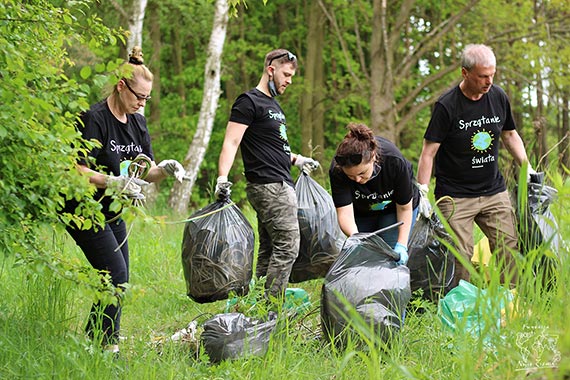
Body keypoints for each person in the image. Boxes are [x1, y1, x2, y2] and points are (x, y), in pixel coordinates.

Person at [63, 47, 185, 355]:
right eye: (139, 96)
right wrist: (112, 181)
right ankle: (108, 348)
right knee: (114, 274)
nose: (142, 103)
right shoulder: (94, 118)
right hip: (83, 207)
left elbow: (146, 171)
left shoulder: (138, 123)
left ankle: (94, 341)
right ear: (121, 86)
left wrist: (167, 169)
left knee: (120, 279)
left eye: (147, 98)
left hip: (112, 209)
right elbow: (74, 167)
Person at [416, 44, 535, 288]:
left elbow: (510, 135)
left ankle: (508, 300)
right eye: (482, 76)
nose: (489, 81)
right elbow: (429, 152)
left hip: (493, 190)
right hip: (455, 194)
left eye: (492, 74)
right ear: (465, 73)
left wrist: (527, 168)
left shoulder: (498, 96)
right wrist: (423, 190)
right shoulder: (447, 106)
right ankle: (462, 304)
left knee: (508, 246)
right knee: (461, 254)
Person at [215, 49, 319, 301]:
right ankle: (272, 307)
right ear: (270, 70)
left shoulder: (274, 106)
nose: (289, 81)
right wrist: (222, 177)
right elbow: (232, 141)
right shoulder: (248, 101)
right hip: (269, 185)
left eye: (292, 76)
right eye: (286, 74)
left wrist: (297, 159)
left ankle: (257, 303)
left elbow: (276, 147)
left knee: (271, 248)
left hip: (281, 181)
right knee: (289, 246)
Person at [329, 122, 420, 265]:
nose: (357, 180)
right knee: (361, 257)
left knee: (387, 257)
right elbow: (344, 212)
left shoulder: (394, 161)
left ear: (373, 157)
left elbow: (404, 208)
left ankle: (390, 286)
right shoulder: (338, 170)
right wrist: (357, 238)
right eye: (351, 177)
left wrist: (401, 245)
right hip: (361, 211)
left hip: (395, 210)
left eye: (361, 173)